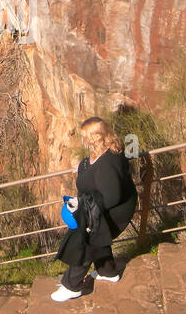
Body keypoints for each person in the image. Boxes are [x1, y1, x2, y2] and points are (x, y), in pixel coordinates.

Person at [52, 117, 138, 302]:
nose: (83, 140)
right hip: (99, 206)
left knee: (87, 238)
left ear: (94, 138)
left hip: (116, 211)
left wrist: (83, 206)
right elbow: (93, 167)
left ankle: (71, 285)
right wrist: (83, 167)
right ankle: (108, 271)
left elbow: (112, 196)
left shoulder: (109, 163)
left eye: (85, 136)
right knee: (94, 232)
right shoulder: (102, 153)